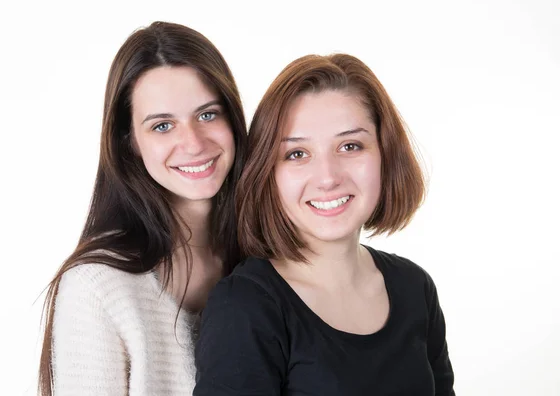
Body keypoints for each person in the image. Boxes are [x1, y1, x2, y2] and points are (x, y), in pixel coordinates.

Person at [194, 53, 454, 395]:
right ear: (267, 173)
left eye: (350, 145)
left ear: (385, 154)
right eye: (297, 154)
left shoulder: (415, 287)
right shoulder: (245, 307)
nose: (328, 177)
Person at [38, 21, 247, 396]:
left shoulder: (268, 258)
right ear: (130, 142)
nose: (194, 143)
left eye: (207, 114)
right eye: (163, 125)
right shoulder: (98, 287)